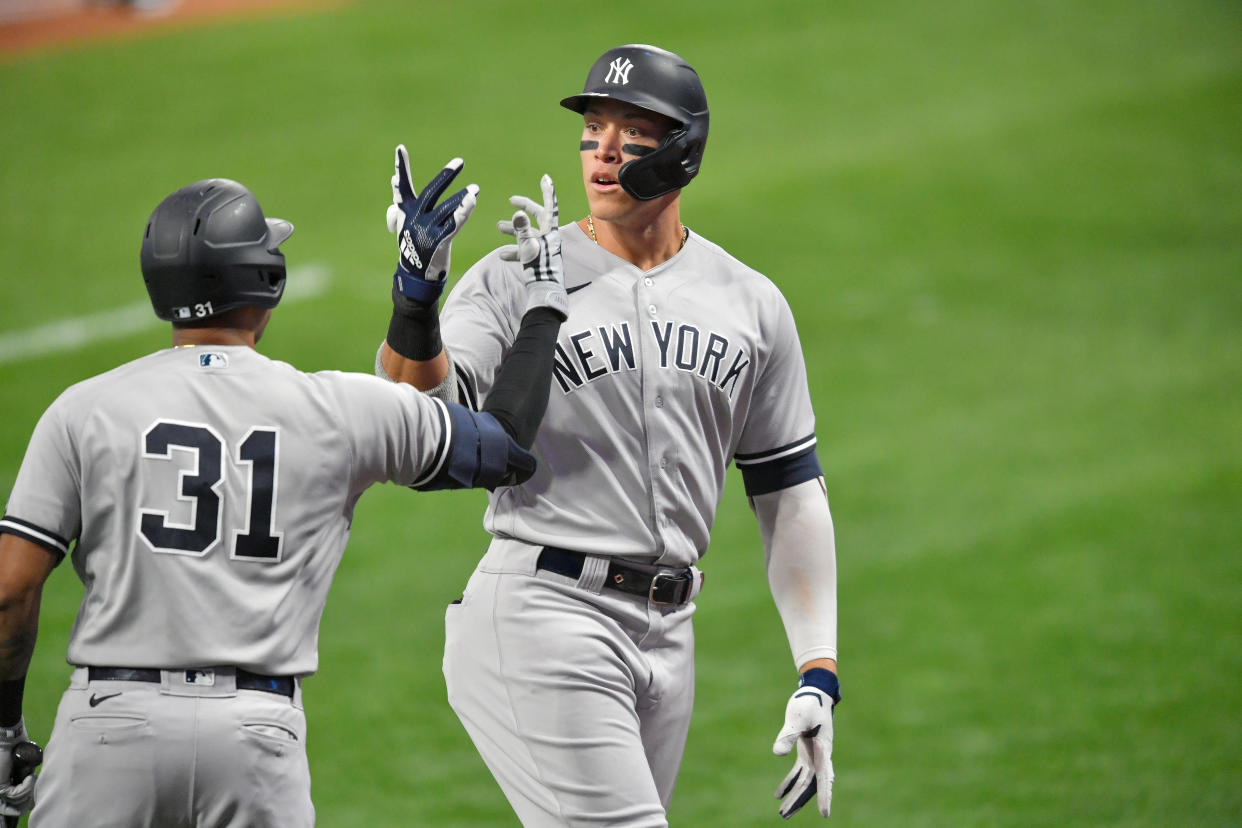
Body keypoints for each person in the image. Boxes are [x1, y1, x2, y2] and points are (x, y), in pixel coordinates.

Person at [0, 153, 568, 826]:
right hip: (254, 738)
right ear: (265, 280)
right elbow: (504, 450)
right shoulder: (338, 408)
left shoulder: (82, 409)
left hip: (108, 732)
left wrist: (6, 729)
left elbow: (11, 589)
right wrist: (534, 306)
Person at [375, 43, 840, 825]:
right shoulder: (517, 273)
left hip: (669, 634)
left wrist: (816, 668)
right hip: (544, 613)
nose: (606, 150)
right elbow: (419, 417)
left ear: (683, 152)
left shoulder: (750, 303)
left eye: (634, 131)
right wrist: (414, 307)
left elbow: (788, 489)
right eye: (593, 129)